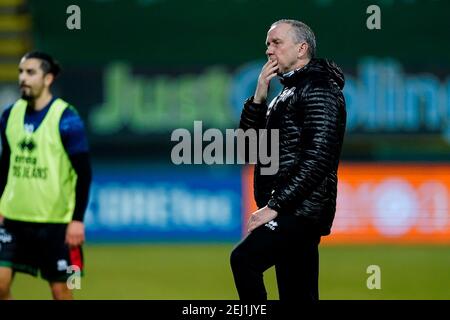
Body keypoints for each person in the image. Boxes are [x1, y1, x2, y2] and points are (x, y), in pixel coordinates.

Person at [230, 19, 347, 301]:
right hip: (294, 209)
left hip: (299, 211)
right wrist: (258, 97)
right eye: (268, 44)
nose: (269, 50)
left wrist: (275, 206)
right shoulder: (285, 93)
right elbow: (250, 149)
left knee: (244, 260)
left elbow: (319, 158)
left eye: (277, 43)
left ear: (301, 48)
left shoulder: (320, 89)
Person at [0, 51, 92, 300]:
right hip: (13, 219)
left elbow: (84, 173)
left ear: (48, 79)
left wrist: (77, 220)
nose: (23, 78)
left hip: (56, 222)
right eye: (21, 72)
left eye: (31, 73)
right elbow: (5, 164)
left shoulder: (67, 119)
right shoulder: (9, 116)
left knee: (63, 289)